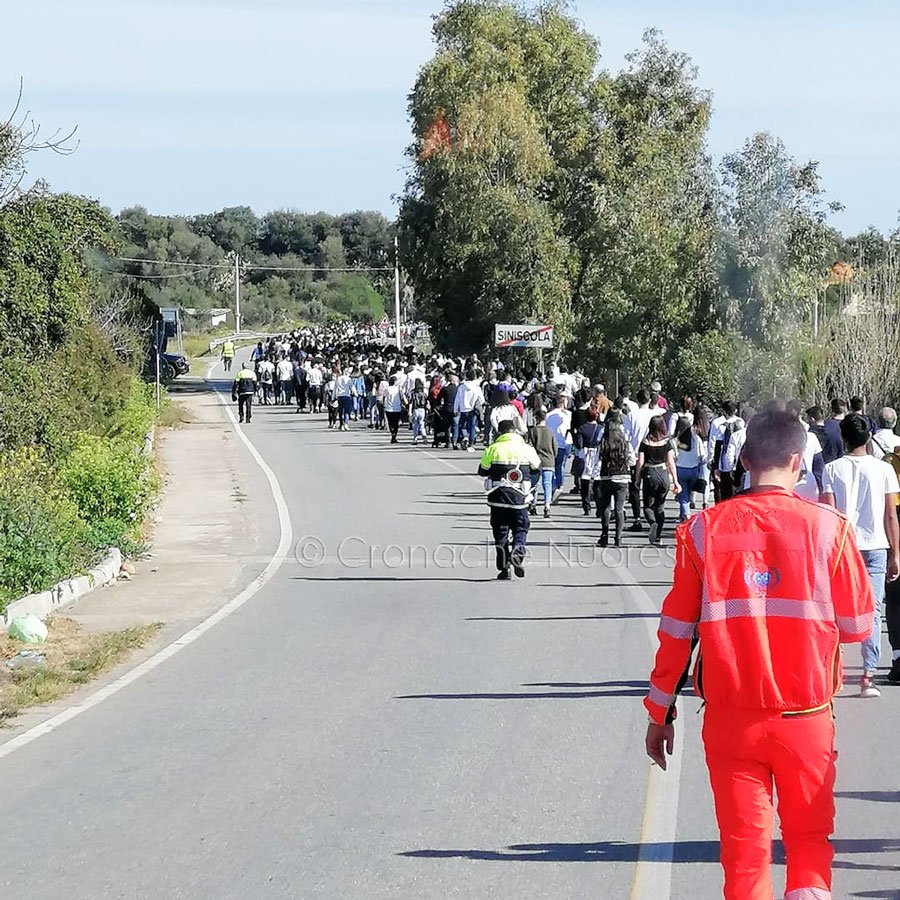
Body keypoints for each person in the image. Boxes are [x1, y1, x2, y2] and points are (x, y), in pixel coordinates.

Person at [645, 408, 876, 900]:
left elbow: (676, 632)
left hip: (731, 720)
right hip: (807, 717)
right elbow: (858, 628)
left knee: (745, 853)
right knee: (809, 844)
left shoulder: (701, 530)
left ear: (745, 459)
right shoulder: (831, 531)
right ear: (799, 460)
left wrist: (659, 712)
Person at [821, 413, 900, 697]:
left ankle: (832, 669)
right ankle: (868, 675)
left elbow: (827, 514)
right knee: (873, 610)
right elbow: (891, 514)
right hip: (877, 547)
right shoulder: (884, 470)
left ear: (843, 438)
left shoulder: (832, 470)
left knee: (833, 609)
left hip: (843, 547)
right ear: (868, 437)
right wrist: (896, 554)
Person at [478, 420, 541, 580]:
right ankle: (518, 552)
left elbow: (482, 471)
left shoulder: (492, 449)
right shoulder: (527, 449)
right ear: (515, 432)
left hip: (497, 497)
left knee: (500, 532)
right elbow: (536, 468)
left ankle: (504, 568)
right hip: (520, 498)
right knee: (521, 527)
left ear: (500, 433)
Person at [635, 414, 680, 544]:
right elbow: (671, 462)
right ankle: (658, 536)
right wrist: (675, 481)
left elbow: (640, 462)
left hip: (650, 474)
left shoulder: (645, 442)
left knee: (648, 507)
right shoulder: (667, 443)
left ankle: (652, 523)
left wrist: (637, 478)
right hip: (663, 474)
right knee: (660, 507)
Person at [597, 410, 635, 547]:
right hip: (623, 478)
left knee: (606, 507)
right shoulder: (624, 443)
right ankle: (618, 537)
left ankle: (604, 535)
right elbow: (632, 460)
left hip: (606, 477)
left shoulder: (604, 443)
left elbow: (598, 460)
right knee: (619, 508)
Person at [674, 415, 707, 522]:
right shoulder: (696, 438)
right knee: (688, 492)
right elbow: (702, 456)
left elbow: (673, 456)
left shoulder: (675, 440)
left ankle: (686, 514)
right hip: (694, 470)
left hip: (680, 469)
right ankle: (683, 514)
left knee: (683, 493)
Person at [576, 406, 604, 516]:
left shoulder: (582, 428)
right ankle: (599, 506)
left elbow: (579, 444)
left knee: (585, 482)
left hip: (586, 455)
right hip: (597, 455)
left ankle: (586, 507)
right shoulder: (601, 428)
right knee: (597, 482)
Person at [545, 394, 573, 503]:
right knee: (561, 465)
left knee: (551, 466)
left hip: (551, 443)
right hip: (565, 443)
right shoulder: (568, 415)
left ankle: (553, 485)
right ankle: (559, 486)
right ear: (562, 403)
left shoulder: (548, 415)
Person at [531, 408, 557, 519]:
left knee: (534, 484)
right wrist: (552, 457)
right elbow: (555, 447)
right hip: (549, 461)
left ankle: (532, 504)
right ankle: (547, 505)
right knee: (547, 484)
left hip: (536, 460)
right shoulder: (550, 431)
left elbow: (530, 446)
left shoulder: (533, 431)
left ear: (536, 418)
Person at [821, 398, 847, 463]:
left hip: (827, 463)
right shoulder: (851, 425)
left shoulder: (824, 425)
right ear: (845, 409)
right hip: (846, 464)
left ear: (832, 410)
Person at [384, 375, 406, 444]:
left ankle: (392, 433)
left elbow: (385, 397)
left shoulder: (387, 389)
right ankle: (394, 435)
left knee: (390, 422)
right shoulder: (399, 389)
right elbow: (403, 397)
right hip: (397, 407)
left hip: (389, 407)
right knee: (396, 423)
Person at [410, 378, 428, 445]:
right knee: (422, 425)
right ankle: (425, 438)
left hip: (416, 409)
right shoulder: (424, 393)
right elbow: (427, 402)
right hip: (422, 409)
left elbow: (411, 403)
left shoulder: (413, 393)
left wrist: (409, 412)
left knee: (415, 425)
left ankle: (415, 439)